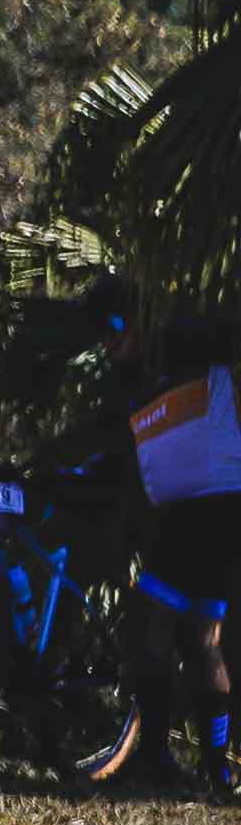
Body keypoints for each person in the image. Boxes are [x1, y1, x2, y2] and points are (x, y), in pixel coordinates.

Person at [124, 332, 241, 800]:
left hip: (219, 510)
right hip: (185, 515)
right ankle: (199, 768)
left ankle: (184, 763)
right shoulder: (149, 388)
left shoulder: (217, 375)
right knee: (194, 636)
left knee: (174, 629)